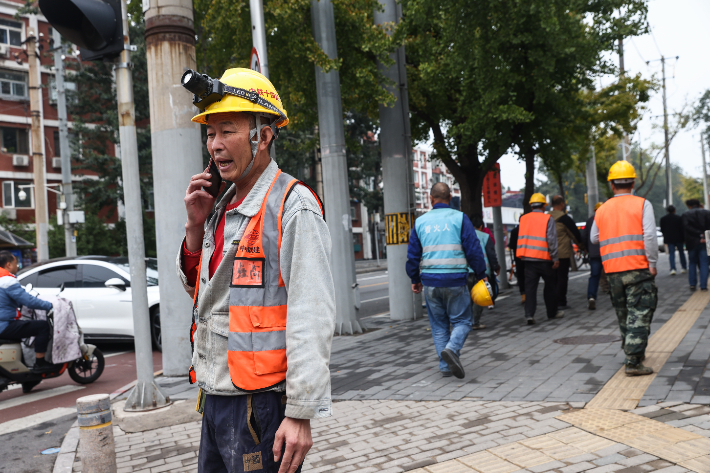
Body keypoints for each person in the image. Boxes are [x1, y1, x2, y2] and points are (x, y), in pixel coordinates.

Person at [178, 68, 335, 473]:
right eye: (210, 134)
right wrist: (196, 229)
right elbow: (206, 298)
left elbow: (312, 314)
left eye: (226, 131)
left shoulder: (294, 206)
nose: (215, 146)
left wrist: (300, 413)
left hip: (260, 406)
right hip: (215, 396)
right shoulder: (220, 206)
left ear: (262, 136)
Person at [406, 183, 487, 379]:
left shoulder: (420, 222)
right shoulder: (460, 218)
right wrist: (481, 273)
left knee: (439, 325)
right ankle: (452, 349)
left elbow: (413, 255)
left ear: (430, 199)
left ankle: (445, 366)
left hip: (431, 282)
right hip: (455, 280)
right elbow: (473, 248)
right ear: (450, 198)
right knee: (463, 321)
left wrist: (414, 278)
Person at [591, 161, 658, 376]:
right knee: (639, 313)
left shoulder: (602, 209)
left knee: (623, 315)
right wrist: (653, 263)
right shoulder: (642, 204)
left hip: (612, 271)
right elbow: (649, 235)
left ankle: (631, 351)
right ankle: (633, 362)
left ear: (611, 185)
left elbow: (593, 237)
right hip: (637, 269)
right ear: (633, 182)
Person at [0, 251, 54, 375]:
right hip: (4, 325)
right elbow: (28, 301)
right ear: (8, 264)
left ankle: (26, 377)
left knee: (24, 327)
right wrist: (49, 305)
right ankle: (40, 364)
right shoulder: (6, 280)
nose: (17, 266)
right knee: (42, 326)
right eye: (15, 263)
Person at [516, 193, 563, 325]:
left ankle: (529, 315)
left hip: (528, 259)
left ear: (531, 206)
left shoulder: (523, 219)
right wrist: (555, 258)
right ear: (543, 206)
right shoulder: (548, 219)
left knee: (530, 288)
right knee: (550, 287)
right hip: (545, 259)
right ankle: (552, 313)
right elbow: (552, 240)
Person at [549, 195, 585, 309]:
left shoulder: (546, 218)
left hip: (547, 254)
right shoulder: (565, 219)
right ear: (562, 204)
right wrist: (582, 246)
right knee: (562, 278)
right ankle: (561, 301)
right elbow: (575, 235)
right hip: (562, 253)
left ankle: (552, 301)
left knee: (552, 278)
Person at [469, 213, 501, 329]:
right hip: (482, 272)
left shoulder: (463, 237)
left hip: (465, 272)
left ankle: (465, 322)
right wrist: (496, 266)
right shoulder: (485, 237)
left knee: (467, 297)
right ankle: (475, 322)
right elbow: (491, 255)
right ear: (482, 226)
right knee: (479, 296)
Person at [682, 199, 710, 291]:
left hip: (691, 242)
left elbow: (686, 228)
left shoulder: (686, 215)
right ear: (698, 204)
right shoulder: (707, 213)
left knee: (692, 262)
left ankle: (692, 284)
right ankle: (703, 285)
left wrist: (698, 234)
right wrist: (703, 235)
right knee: (704, 263)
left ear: (689, 206)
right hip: (705, 241)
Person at [584, 202, 606, 310]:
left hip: (594, 253)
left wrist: (586, 249)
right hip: (608, 252)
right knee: (612, 274)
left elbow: (584, 236)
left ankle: (591, 296)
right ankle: (615, 295)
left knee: (594, 276)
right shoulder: (608, 220)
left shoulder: (589, 221)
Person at [660, 205, 687, 276]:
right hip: (679, 238)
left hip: (669, 238)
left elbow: (662, 229)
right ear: (674, 210)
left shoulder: (663, 219)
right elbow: (682, 229)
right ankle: (683, 267)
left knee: (671, 253)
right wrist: (684, 238)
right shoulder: (679, 218)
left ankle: (672, 269)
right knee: (681, 253)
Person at [508, 224, 526, 305]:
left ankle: (523, 295)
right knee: (530, 276)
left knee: (521, 276)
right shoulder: (528, 230)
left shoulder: (514, 231)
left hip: (518, 257)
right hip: (528, 257)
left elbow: (511, 246)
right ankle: (530, 294)